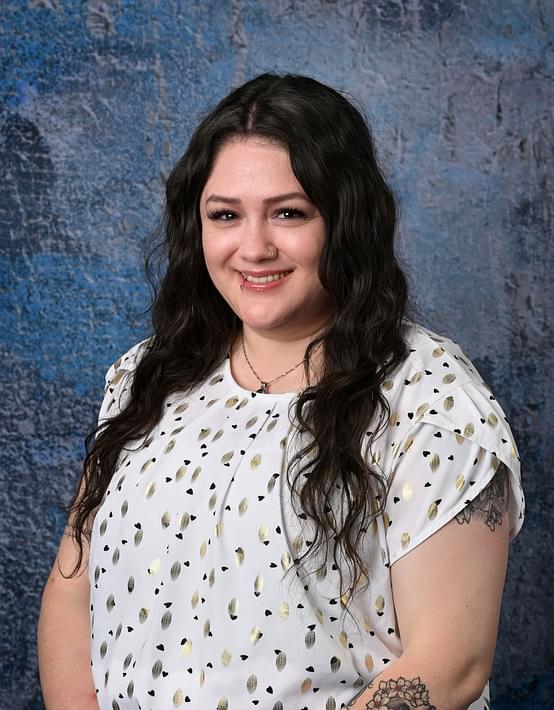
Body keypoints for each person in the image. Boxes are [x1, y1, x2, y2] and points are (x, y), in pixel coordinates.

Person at [37, 73, 524, 710]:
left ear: (346, 219)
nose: (254, 248)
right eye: (225, 215)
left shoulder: (430, 397)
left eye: (289, 213)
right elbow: (73, 587)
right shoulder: (146, 377)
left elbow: (451, 663)